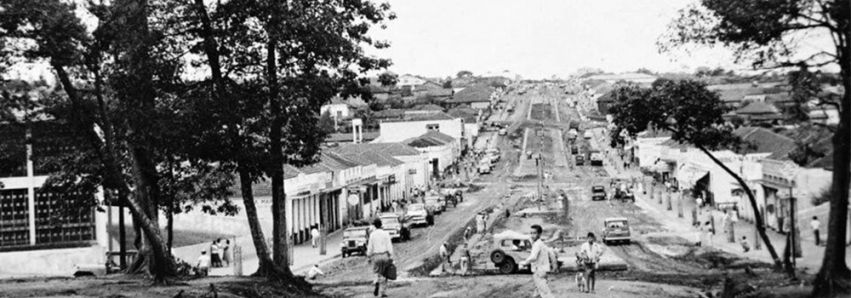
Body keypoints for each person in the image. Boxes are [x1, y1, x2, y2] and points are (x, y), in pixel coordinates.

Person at [519, 225, 555, 298]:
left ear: (539, 234)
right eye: (531, 233)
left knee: (546, 294)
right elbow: (551, 253)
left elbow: (533, 257)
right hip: (541, 272)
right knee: (537, 295)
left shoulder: (537, 244)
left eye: (534, 233)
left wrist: (524, 263)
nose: (532, 235)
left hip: (539, 272)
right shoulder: (541, 243)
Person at [366, 218, 394, 297]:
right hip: (385, 255)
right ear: (381, 225)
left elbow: (370, 247)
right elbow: (389, 246)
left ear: (374, 225)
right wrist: (391, 256)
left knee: (376, 272)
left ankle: (376, 282)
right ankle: (383, 292)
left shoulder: (372, 235)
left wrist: (368, 256)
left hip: (376, 256)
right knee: (385, 274)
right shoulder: (386, 234)